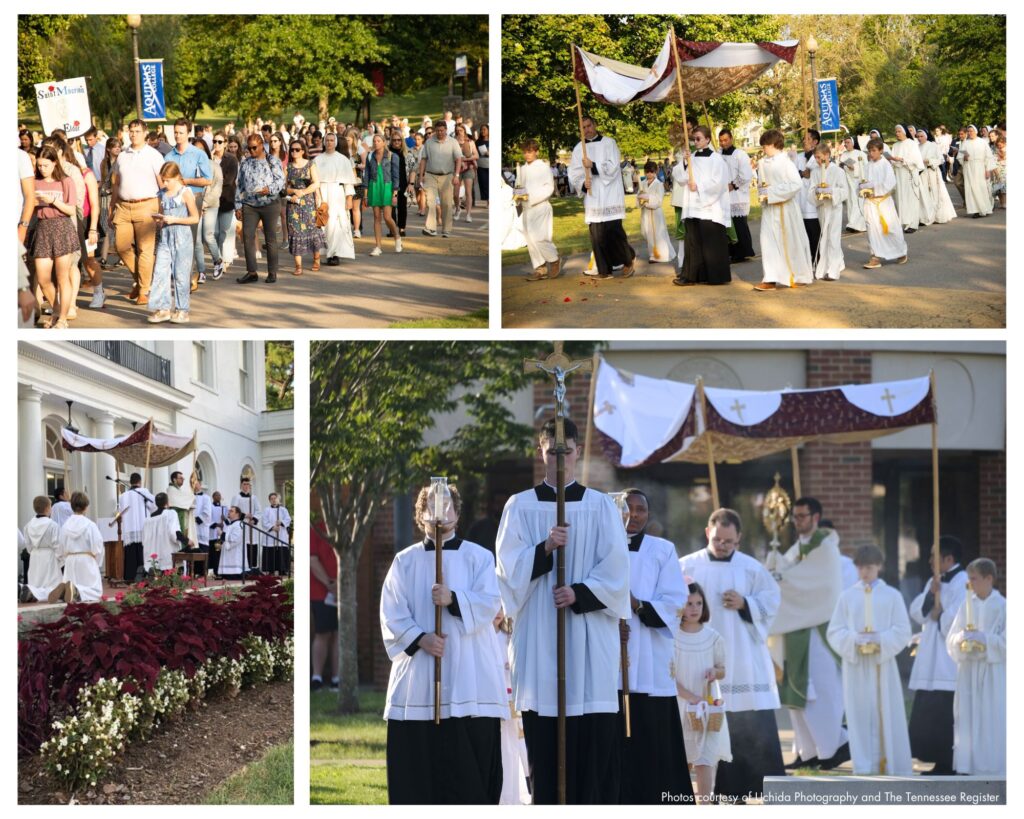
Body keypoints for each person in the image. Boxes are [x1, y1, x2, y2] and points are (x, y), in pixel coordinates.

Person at [495, 418, 630, 804]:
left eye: (566, 451)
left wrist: (580, 593)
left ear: (578, 452)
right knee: (544, 742)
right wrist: (544, 549)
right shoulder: (519, 506)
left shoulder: (600, 506)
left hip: (588, 636)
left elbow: (618, 571)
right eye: (551, 451)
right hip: (540, 634)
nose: (559, 459)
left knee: (590, 744)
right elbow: (507, 570)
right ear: (540, 451)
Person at [381, 484, 505, 804]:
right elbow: (391, 612)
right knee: (419, 774)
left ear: (458, 515)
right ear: (420, 516)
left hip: (469, 678)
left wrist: (454, 599)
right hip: (420, 680)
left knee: (468, 774)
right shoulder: (405, 561)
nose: (440, 513)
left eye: (447, 506)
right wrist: (421, 638)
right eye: (432, 507)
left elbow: (491, 603)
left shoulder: (479, 557)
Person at [679, 508, 784, 801]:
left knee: (746, 722)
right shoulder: (688, 567)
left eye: (729, 541)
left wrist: (746, 603)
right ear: (707, 533)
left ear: (739, 538)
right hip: (702, 657)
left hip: (743, 658)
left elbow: (772, 601)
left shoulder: (751, 568)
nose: (723, 545)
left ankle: (747, 787)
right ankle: (711, 791)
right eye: (718, 540)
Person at [618, 489, 692, 804]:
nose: (634, 515)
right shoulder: (600, 548)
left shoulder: (662, 550)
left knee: (653, 735)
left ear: (648, 515)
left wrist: (636, 605)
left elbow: (676, 601)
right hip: (612, 651)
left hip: (649, 653)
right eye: (627, 509)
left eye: (640, 510)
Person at [767, 497, 849, 770]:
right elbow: (786, 574)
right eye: (795, 517)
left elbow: (812, 586)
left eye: (802, 516)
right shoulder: (797, 547)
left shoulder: (825, 548)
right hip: (796, 627)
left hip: (817, 630)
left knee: (820, 692)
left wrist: (780, 577)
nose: (797, 521)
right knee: (798, 692)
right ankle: (810, 750)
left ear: (816, 517)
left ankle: (835, 746)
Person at [826, 544, 913, 776]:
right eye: (862, 568)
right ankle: (864, 765)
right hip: (856, 665)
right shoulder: (847, 596)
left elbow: (903, 630)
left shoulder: (892, 595)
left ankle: (890, 762)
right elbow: (834, 631)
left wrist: (879, 639)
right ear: (856, 568)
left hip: (881, 664)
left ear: (879, 567)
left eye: (870, 568)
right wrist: (855, 639)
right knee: (859, 712)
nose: (865, 573)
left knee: (886, 710)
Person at [907, 536, 967, 775]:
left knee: (945, 710)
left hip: (948, 659)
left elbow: (958, 617)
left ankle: (948, 761)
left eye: (934, 555)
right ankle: (935, 758)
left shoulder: (963, 581)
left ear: (949, 558)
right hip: (932, 655)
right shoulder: (936, 580)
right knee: (930, 708)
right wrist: (932, 595)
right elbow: (918, 612)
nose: (930, 559)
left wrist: (940, 612)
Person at [945, 558, 1005, 775]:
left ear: (989, 579)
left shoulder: (1004, 606)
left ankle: (993, 765)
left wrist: (984, 640)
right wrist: (962, 639)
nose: (969, 583)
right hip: (969, 671)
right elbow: (951, 638)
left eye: (973, 579)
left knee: (991, 716)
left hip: (992, 673)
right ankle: (968, 765)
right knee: (969, 717)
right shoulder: (965, 605)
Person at [673, 581, 730, 805]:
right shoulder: (672, 637)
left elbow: (723, 669)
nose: (694, 608)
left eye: (698, 603)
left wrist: (715, 672)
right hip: (681, 704)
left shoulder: (713, 637)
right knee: (683, 758)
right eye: (689, 604)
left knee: (705, 759)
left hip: (707, 706)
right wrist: (689, 696)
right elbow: (670, 676)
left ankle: (705, 805)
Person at [569, 116, 636, 280]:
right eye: (583, 127)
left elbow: (613, 167)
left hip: (610, 194)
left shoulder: (609, 143)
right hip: (593, 196)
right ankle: (604, 270)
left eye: (589, 125)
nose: (587, 129)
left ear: (595, 125)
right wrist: (583, 185)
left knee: (613, 231)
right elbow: (574, 172)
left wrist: (594, 166)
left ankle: (628, 261)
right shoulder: (579, 148)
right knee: (597, 235)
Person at [111, 120, 164, 305]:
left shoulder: (154, 155)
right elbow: (116, 183)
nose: (133, 134)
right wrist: (112, 207)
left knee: (145, 250)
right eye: (131, 131)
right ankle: (142, 279)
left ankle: (144, 290)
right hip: (123, 206)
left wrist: (163, 210)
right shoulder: (122, 155)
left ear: (145, 133)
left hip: (147, 206)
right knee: (121, 246)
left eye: (137, 131)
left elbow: (162, 184)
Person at [753, 129, 813, 292]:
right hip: (770, 209)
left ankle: (798, 274)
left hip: (786, 208)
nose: (763, 149)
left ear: (773, 145)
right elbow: (761, 184)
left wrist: (771, 193)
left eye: (765, 145)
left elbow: (796, 184)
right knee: (768, 242)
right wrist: (763, 194)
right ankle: (770, 278)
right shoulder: (763, 163)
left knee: (791, 242)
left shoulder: (786, 163)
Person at [28, 145, 79, 328]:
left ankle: (62, 319)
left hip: (61, 227)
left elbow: (71, 210)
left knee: (62, 277)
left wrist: (53, 201)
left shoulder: (66, 181)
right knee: (42, 278)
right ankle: (57, 311)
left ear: (54, 163)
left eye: (45, 165)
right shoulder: (34, 181)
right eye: (39, 165)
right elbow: (29, 207)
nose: (42, 169)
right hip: (42, 228)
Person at [673, 126, 730, 286]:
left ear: (707, 140)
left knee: (710, 243)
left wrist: (699, 187)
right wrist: (684, 162)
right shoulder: (692, 158)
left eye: (698, 138)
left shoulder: (717, 159)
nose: (695, 142)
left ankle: (715, 276)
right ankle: (691, 276)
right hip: (693, 206)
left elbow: (718, 182)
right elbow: (680, 177)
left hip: (710, 206)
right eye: (694, 139)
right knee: (692, 242)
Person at [148, 163, 200, 324]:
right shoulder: (162, 194)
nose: (165, 184)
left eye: (168, 180)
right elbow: (163, 213)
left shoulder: (185, 193)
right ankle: (163, 309)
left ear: (177, 177)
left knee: (181, 275)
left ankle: (182, 310)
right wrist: (159, 219)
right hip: (165, 236)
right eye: (163, 180)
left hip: (182, 237)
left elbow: (195, 218)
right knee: (160, 272)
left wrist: (175, 219)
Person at [164, 119, 212, 285]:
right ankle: (178, 273)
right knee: (173, 238)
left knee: (189, 239)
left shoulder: (198, 154)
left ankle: (187, 276)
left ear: (188, 133)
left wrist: (186, 181)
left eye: (181, 132)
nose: (177, 135)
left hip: (193, 198)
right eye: (175, 132)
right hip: (173, 201)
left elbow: (208, 179)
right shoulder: (169, 156)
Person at [235, 133, 285, 283]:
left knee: (270, 238)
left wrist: (268, 189)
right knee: (247, 236)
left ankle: (272, 272)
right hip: (250, 204)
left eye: (254, 148)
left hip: (270, 204)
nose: (251, 151)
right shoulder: (245, 162)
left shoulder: (273, 161)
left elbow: (280, 181)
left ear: (262, 145)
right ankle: (252, 272)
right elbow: (240, 185)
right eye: (249, 148)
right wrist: (238, 204)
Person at [516, 139, 561, 281]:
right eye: (525, 152)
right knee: (530, 238)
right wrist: (518, 198)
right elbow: (519, 186)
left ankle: (554, 260)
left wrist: (532, 197)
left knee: (540, 237)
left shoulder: (543, 167)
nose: (527, 155)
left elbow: (549, 187)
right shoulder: (522, 169)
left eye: (529, 152)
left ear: (536, 152)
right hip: (526, 208)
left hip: (540, 206)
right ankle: (540, 268)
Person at [861, 138, 908, 269]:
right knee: (872, 229)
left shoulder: (885, 164)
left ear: (881, 151)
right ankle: (875, 257)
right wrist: (862, 189)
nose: (871, 153)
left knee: (890, 229)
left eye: (874, 150)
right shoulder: (867, 165)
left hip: (883, 202)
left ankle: (900, 252)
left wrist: (875, 190)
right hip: (870, 203)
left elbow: (890, 183)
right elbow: (861, 181)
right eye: (869, 151)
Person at [313, 132, 356, 265]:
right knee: (324, 223)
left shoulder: (343, 160)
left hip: (337, 193)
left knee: (336, 224)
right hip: (323, 192)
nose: (329, 142)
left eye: (332, 140)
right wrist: (317, 196)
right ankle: (323, 252)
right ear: (324, 142)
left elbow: (348, 181)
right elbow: (314, 181)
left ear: (335, 142)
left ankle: (335, 254)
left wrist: (349, 199)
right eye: (327, 140)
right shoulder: (317, 160)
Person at [283, 138, 326, 274]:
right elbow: (283, 188)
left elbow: (316, 183)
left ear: (302, 151)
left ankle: (316, 258)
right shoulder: (287, 167)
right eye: (292, 149)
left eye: (297, 149)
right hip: (293, 203)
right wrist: (293, 191)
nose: (294, 152)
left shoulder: (310, 164)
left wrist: (302, 192)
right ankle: (298, 266)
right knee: (295, 231)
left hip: (308, 202)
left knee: (312, 230)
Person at [54, 492, 105, 603]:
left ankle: (68, 590)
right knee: (95, 591)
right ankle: (77, 591)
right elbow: (98, 545)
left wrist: (63, 561)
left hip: (71, 560)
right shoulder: (90, 525)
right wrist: (97, 562)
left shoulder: (65, 525)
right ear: (86, 507)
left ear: (72, 506)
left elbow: (60, 546)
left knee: (72, 582)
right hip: (86, 560)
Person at [417, 120, 463, 238]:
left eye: (442, 130)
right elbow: (423, 159)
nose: (440, 133)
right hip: (430, 174)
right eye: (437, 130)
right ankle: (431, 228)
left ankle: (446, 229)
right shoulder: (429, 142)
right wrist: (421, 175)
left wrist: (457, 175)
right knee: (430, 202)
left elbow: (458, 159)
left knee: (446, 204)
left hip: (447, 175)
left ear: (446, 130)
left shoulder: (453, 142)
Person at [810, 143, 847, 281]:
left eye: (820, 157)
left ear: (827, 155)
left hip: (834, 208)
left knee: (833, 237)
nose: (818, 161)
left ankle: (833, 270)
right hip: (822, 209)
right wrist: (817, 192)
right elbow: (811, 191)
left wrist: (831, 192)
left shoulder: (838, 171)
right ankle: (826, 266)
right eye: (815, 158)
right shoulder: (815, 172)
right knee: (824, 237)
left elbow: (844, 191)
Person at [718, 128, 754, 262]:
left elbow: (746, 174)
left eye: (726, 140)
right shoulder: (718, 154)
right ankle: (731, 252)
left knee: (739, 225)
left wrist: (733, 185)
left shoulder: (740, 154)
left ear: (731, 139)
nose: (723, 143)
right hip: (723, 195)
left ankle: (743, 252)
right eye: (721, 141)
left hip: (737, 195)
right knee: (727, 225)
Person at [311, 523, 339, 690]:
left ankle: (337, 678)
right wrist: (329, 583)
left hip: (342, 590)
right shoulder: (316, 527)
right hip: (321, 592)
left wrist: (340, 583)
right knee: (323, 633)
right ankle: (317, 678)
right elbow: (312, 561)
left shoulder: (340, 527)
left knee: (338, 634)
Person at [21, 496, 63, 603]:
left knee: (36, 582)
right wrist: (61, 560)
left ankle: (32, 592)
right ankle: (38, 594)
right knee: (52, 584)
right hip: (49, 556)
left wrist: (34, 552)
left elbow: (28, 545)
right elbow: (57, 545)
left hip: (35, 556)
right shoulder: (53, 525)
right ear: (48, 508)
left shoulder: (28, 525)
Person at [365, 134, 401, 256]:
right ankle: (378, 246)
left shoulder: (392, 156)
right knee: (376, 217)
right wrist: (366, 193)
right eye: (374, 141)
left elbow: (396, 176)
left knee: (387, 217)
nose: (376, 143)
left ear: (384, 142)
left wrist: (395, 193)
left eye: (378, 141)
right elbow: (367, 175)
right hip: (374, 186)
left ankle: (396, 236)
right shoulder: (370, 156)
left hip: (387, 187)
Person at [116, 472, 155, 582]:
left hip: (129, 529)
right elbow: (154, 507)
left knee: (131, 553)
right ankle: (143, 577)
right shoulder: (144, 492)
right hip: (142, 528)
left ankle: (130, 577)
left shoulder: (123, 496)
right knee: (142, 553)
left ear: (130, 482)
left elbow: (120, 512)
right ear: (140, 481)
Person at [637, 160, 675, 266]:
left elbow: (659, 200)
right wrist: (640, 199)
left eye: (651, 172)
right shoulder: (643, 183)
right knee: (647, 232)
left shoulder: (659, 184)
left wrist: (647, 198)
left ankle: (661, 254)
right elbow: (639, 196)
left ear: (656, 172)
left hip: (655, 213)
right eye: (647, 172)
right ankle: (652, 252)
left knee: (658, 233)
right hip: (646, 212)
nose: (649, 174)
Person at [889, 124, 925, 232]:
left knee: (911, 199)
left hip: (909, 173)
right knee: (901, 198)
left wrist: (902, 160)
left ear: (904, 132)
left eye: (899, 131)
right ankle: (903, 222)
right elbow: (892, 160)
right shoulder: (895, 145)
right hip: (899, 174)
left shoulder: (912, 144)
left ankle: (912, 224)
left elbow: (916, 160)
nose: (897, 133)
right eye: (896, 132)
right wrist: (893, 160)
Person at [917, 129, 957, 224]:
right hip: (922, 174)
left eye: (921, 136)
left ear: (926, 136)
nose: (919, 138)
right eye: (917, 137)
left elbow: (941, 159)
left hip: (932, 172)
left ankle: (937, 216)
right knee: (924, 195)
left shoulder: (933, 145)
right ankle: (926, 217)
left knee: (935, 194)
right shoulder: (916, 147)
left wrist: (929, 161)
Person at [144, 491, 190, 571]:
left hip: (154, 557)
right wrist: (186, 541)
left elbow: (145, 539)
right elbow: (174, 533)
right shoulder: (171, 514)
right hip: (168, 555)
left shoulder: (149, 518)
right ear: (167, 502)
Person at [794, 130, 822, 260]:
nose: (804, 141)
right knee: (804, 232)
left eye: (808, 139)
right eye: (803, 139)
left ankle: (818, 258)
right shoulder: (798, 156)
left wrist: (810, 155)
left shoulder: (819, 156)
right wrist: (801, 173)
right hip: (801, 199)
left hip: (813, 202)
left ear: (815, 142)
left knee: (814, 232)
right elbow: (794, 174)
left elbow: (818, 172)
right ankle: (807, 258)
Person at [960, 125, 996, 217]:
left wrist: (987, 170)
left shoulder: (982, 142)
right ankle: (975, 210)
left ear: (976, 131)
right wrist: (964, 157)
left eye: (971, 131)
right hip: (969, 168)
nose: (969, 133)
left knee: (981, 188)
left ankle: (985, 209)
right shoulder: (965, 143)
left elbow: (988, 157)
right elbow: (959, 157)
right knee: (971, 189)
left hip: (980, 167)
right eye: (968, 131)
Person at [837, 137, 868, 232]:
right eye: (845, 142)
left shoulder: (860, 153)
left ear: (853, 143)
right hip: (847, 181)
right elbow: (839, 166)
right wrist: (842, 166)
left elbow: (866, 166)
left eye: (848, 142)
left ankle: (858, 225)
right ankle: (852, 223)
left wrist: (854, 168)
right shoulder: (843, 155)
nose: (846, 144)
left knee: (857, 202)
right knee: (850, 202)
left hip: (857, 181)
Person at [232, 477, 261, 571]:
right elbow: (233, 510)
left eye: (248, 484)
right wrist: (244, 515)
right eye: (244, 484)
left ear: (250, 486)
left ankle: (252, 567)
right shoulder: (236, 497)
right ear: (241, 485)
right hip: (242, 524)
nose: (246, 486)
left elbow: (258, 511)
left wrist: (254, 520)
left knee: (253, 544)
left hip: (252, 525)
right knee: (243, 544)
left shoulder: (254, 498)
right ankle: (243, 567)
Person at [261, 493, 291, 575]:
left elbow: (288, 519)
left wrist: (281, 523)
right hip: (271, 535)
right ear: (269, 500)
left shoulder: (283, 510)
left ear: (278, 499)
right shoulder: (266, 510)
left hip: (281, 534)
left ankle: (283, 570)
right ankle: (271, 570)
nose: (274, 500)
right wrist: (272, 528)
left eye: (275, 498)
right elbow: (264, 521)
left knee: (282, 551)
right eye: (272, 499)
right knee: (270, 551)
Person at [454, 124, 478, 223]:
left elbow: (476, 155)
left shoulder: (470, 142)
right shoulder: (453, 142)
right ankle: (458, 209)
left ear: (465, 131)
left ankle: (468, 214)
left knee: (468, 192)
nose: (459, 132)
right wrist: (459, 161)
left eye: (461, 130)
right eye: (458, 130)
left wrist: (466, 159)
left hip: (469, 168)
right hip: (457, 169)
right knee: (455, 194)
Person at [217, 506, 246, 578]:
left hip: (235, 556)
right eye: (229, 511)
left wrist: (222, 534)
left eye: (231, 511)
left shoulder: (239, 524)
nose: (229, 512)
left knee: (233, 576)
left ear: (237, 514)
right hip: (228, 553)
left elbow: (235, 539)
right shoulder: (230, 525)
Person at [194, 478, 213, 556]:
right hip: (192, 529)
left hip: (201, 528)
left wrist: (195, 519)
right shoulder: (189, 496)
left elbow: (207, 512)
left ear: (200, 485)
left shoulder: (206, 497)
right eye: (193, 483)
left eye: (196, 483)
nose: (195, 485)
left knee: (201, 555)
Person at [476, 124, 490, 203]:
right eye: (481, 129)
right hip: (481, 166)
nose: (482, 131)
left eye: (484, 129)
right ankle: (487, 200)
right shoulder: (478, 142)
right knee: (484, 184)